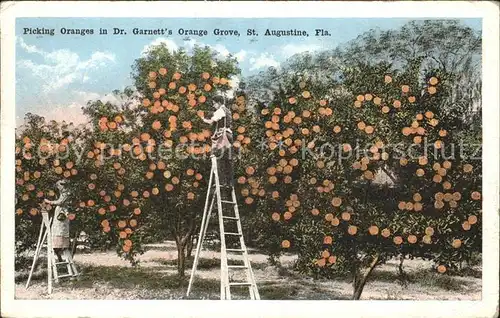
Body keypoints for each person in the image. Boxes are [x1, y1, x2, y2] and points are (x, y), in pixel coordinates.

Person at [44, 180, 78, 276]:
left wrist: (49, 201)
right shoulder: (63, 193)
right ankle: (59, 247)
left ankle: (61, 245)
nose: (58, 188)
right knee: (58, 228)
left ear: (62, 186)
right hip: (60, 212)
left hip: (62, 213)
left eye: (59, 186)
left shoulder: (66, 193)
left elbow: (60, 202)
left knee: (60, 228)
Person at [201, 95, 234, 192]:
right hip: (229, 135)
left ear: (219, 103)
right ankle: (229, 183)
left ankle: (221, 181)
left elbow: (212, 121)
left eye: (214, 103)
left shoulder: (220, 110)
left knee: (217, 156)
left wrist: (203, 119)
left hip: (222, 136)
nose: (213, 105)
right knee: (228, 159)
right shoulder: (228, 111)